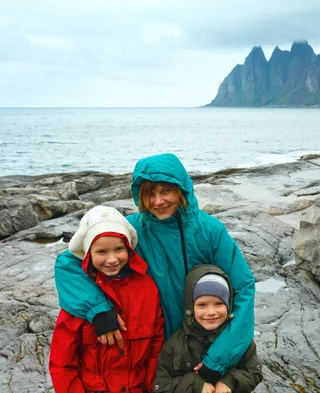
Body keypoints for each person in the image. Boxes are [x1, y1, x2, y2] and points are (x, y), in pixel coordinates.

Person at [54, 153, 256, 385]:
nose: (157, 202)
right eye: (149, 193)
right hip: (157, 349)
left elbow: (244, 287)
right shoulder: (133, 229)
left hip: (207, 341)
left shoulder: (209, 230)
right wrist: (98, 310)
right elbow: (69, 263)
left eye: (165, 191)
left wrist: (219, 357)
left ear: (181, 189)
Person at [49, 206, 165, 393]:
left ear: (129, 248)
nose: (112, 259)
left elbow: (156, 349)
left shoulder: (148, 289)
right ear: (88, 254)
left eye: (119, 249)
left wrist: (151, 387)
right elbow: (62, 362)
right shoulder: (78, 300)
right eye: (101, 252)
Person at [153, 264, 263, 393]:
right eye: (202, 305)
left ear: (229, 305)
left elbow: (254, 373)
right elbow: (160, 386)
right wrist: (196, 385)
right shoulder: (174, 345)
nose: (211, 312)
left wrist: (230, 382)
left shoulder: (240, 340)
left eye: (219, 303)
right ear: (190, 308)